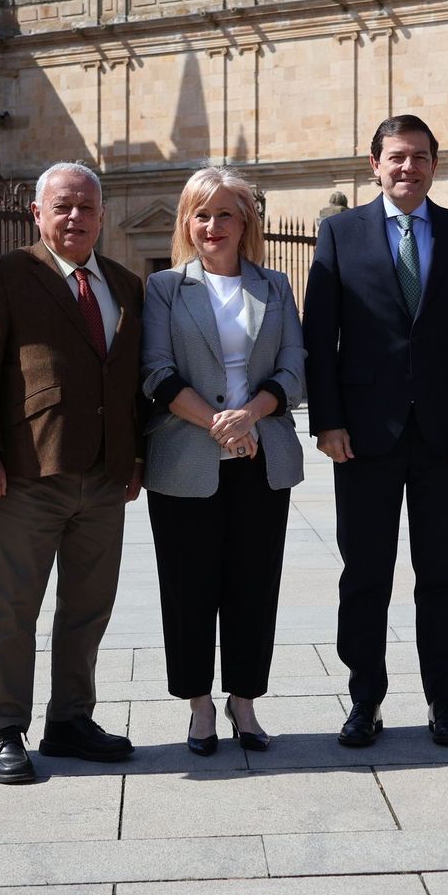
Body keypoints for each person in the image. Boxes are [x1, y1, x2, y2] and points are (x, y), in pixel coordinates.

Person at [303, 114, 448, 747]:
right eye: (396, 157)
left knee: (441, 574)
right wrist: (328, 420)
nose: (407, 167)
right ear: (374, 164)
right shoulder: (339, 234)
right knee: (364, 574)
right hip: (362, 437)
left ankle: (444, 702)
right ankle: (364, 699)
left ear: (433, 166)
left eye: (419, 157)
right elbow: (319, 339)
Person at [0, 161, 146, 785]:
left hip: (105, 474)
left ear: (102, 215)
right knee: (13, 605)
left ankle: (70, 720)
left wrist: (135, 456)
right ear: (36, 213)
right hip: (27, 470)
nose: (74, 218)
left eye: (86, 207)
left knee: (89, 606)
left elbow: (131, 380)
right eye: (62, 206)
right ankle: (5, 728)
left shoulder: (123, 282)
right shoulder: (5, 275)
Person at [141, 167, 306, 755]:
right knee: (188, 588)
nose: (212, 226)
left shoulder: (275, 287)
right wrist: (218, 424)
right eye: (201, 214)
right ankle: (198, 705)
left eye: (225, 214)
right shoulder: (165, 288)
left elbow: (294, 370)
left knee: (253, 584)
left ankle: (244, 700)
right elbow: (155, 373)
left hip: (262, 456)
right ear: (188, 222)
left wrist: (250, 417)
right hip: (187, 455)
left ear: (246, 223)